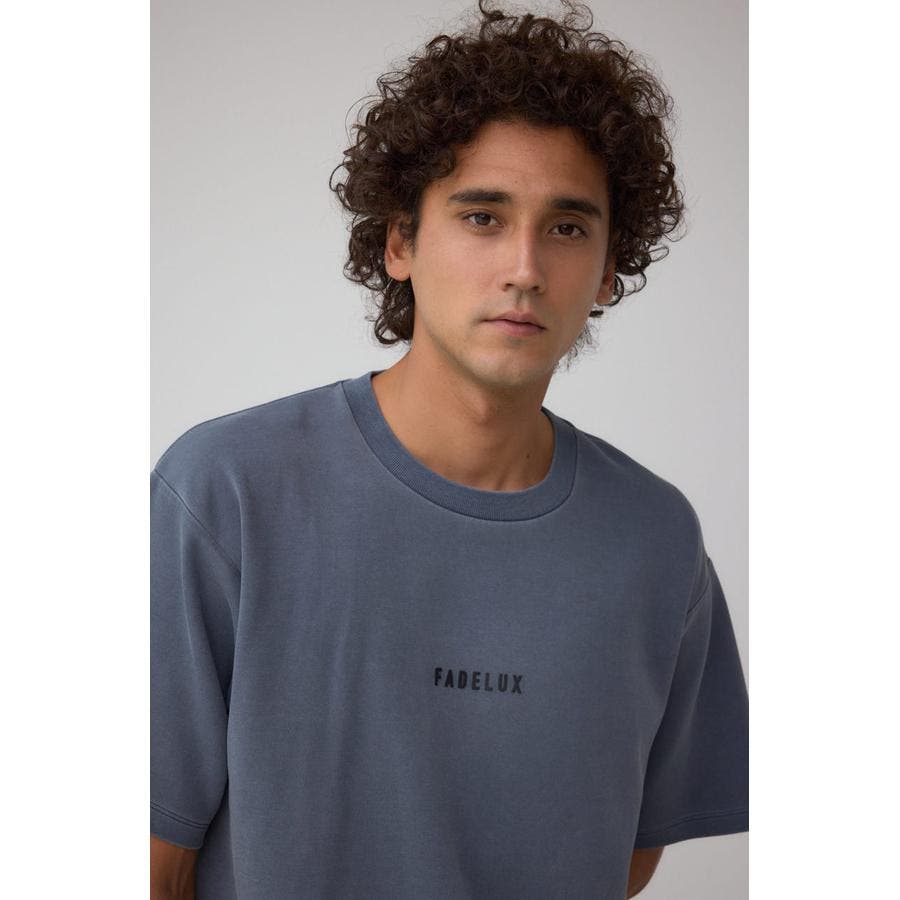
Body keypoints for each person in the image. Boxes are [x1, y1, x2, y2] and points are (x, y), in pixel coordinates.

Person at [150, 2, 749, 897]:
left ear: (607, 269)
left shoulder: (656, 540)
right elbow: (148, 858)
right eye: (482, 217)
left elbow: (623, 851)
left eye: (568, 227)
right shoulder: (226, 493)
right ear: (400, 241)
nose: (525, 269)